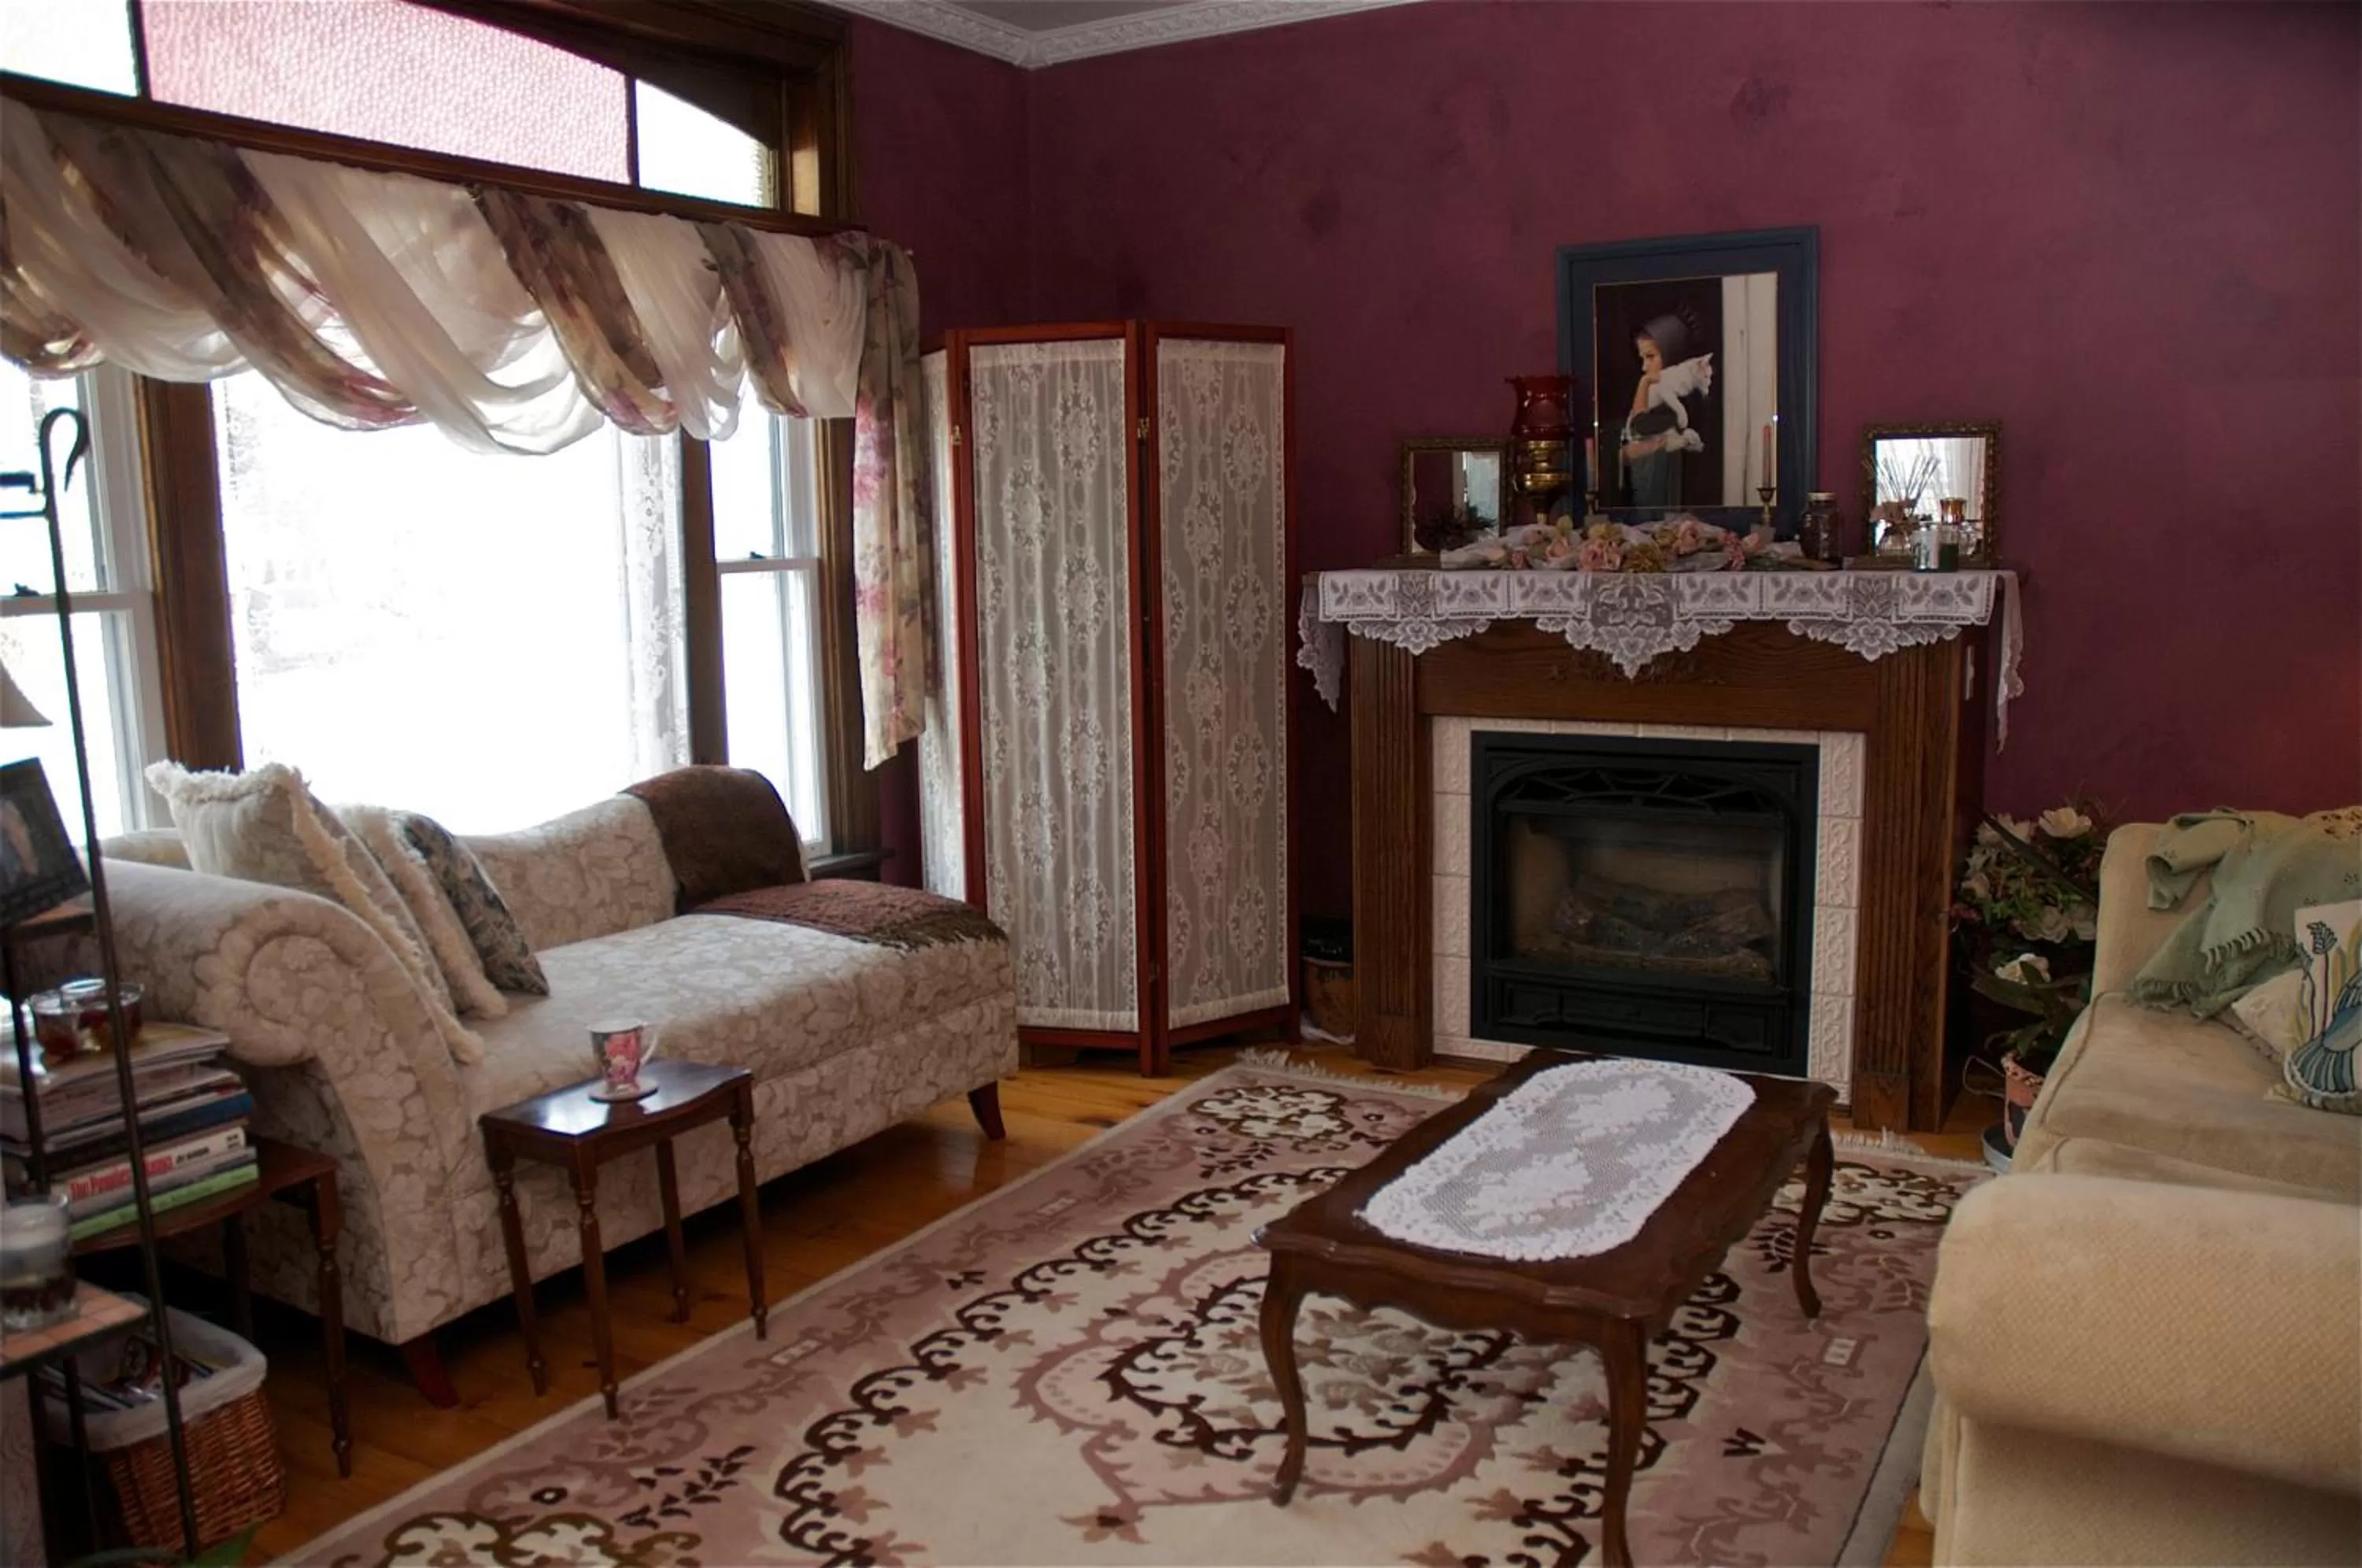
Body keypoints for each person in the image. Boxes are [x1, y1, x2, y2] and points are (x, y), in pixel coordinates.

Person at [1619, 313, 1703, 508]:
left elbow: (1639, 425)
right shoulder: (1657, 394)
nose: (1644, 367)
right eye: (1642, 358)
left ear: (1671, 352)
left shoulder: (1681, 401)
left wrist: (1644, 383)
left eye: (1651, 357)